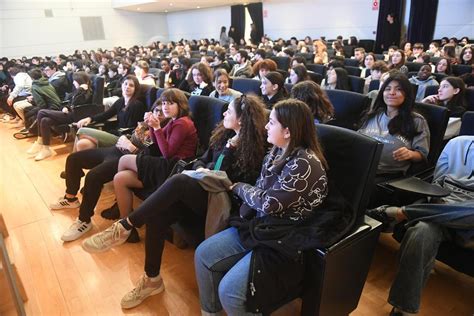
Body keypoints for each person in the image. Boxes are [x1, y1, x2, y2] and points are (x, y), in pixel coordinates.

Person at [81, 95, 269, 310]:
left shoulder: (254, 149)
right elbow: (204, 159)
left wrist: (228, 150)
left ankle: (125, 225)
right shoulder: (223, 135)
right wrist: (200, 167)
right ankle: (152, 279)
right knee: (158, 213)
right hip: (202, 189)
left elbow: (229, 181)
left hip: (221, 202)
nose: (224, 113)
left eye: (230, 112)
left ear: (242, 120)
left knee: (179, 180)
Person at [194, 99, 330, 315]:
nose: (265, 126)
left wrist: (237, 187)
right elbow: (260, 193)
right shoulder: (276, 151)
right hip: (262, 226)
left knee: (229, 292)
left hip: (285, 237)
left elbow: (268, 203)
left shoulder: (305, 163)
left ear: (287, 131)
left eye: (272, 123)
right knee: (203, 254)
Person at [54, 88, 198, 242]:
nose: (164, 108)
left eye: (170, 104)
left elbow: (166, 153)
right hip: (141, 155)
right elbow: (158, 145)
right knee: (119, 178)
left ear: (180, 104)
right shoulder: (174, 120)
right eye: (163, 104)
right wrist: (151, 126)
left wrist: (154, 128)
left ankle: (99, 220)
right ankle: (127, 229)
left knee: (105, 170)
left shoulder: (181, 123)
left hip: (168, 167)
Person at [366, 135, 474, 316]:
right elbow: (437, 185)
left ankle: (402, 212)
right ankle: (403, 309)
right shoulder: (458, 144)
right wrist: (439, 206)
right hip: (441, 212)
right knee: (421, 231)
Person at [358, 73, 430, 177]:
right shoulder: (373, 115)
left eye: (398, 89)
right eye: (387, 89)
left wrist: (410, 154)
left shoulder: (417, 121)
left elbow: (422, 155)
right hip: (361, 167)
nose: (392, 93)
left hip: (388, 175)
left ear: (407, 94)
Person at [27, 71, 93, 161]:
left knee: (41, 112)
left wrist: (80, 90)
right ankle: (46, 149)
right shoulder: (78, 90)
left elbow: (78, 103)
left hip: (75, 116)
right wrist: (66, 107)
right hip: (69, 113)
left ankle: (39, 141)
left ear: (79, 81)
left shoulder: (86, 91)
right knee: (45, 120)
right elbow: (70, 102)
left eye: (75, 81)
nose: (73, 83)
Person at [73, 75, 146, 151]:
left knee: (82, 130)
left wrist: (111, 132)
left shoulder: (137, 105)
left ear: (135, 89)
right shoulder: (121, 101)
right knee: (83, 144)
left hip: (123, 139)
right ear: (121, 85)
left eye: (131, 85)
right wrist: (90, 118)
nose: (127, 87)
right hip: (115, 134)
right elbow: (106, 115)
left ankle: (72, 160)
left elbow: (132, 129)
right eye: (125, 84)